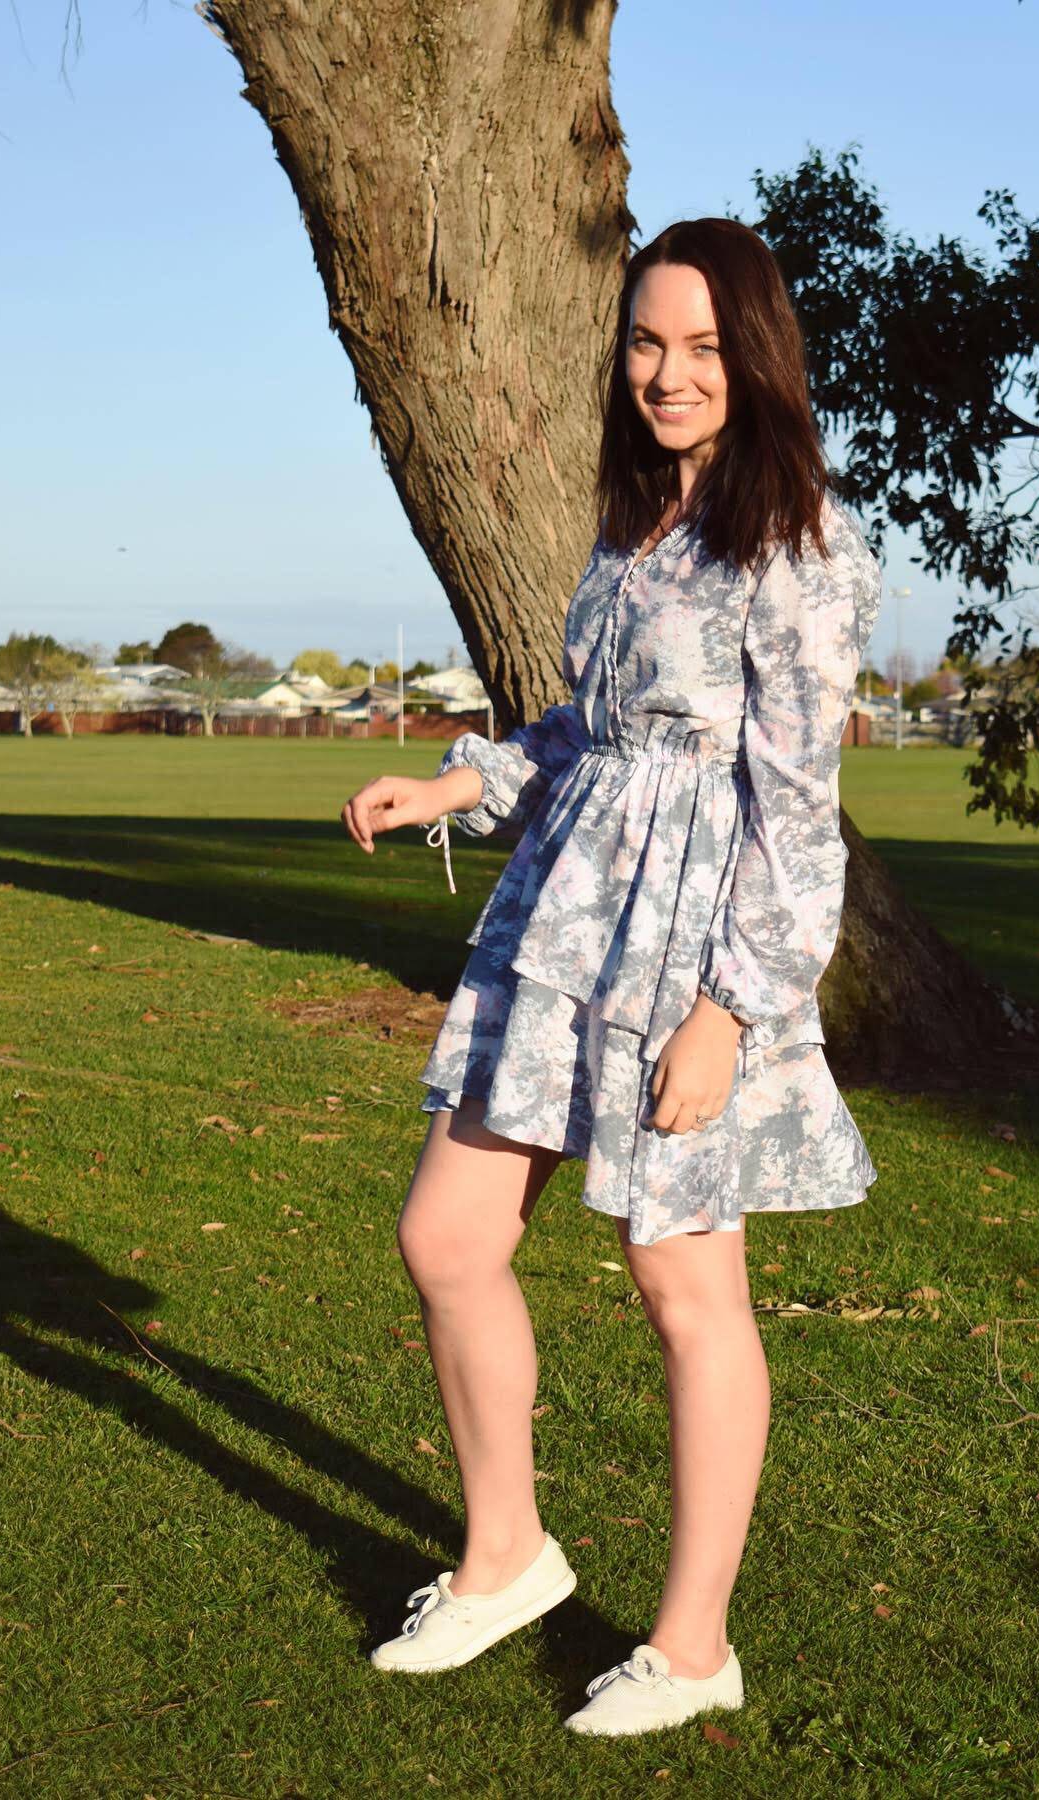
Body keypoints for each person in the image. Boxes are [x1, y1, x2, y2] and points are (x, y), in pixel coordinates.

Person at [339, 217, 882, 1738]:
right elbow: (594, 732)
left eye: (703, 346)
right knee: (447, 1233)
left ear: (758, 355)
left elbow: (798, 814)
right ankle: (505, 1556)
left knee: (685, 1286)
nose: (667, 373)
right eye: (647, 341)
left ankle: (696, 1646)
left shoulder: (803, 551)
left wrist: (731, 1007)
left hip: (698, 946)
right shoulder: (632, 522)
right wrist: (452, 789)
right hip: (563, 922)